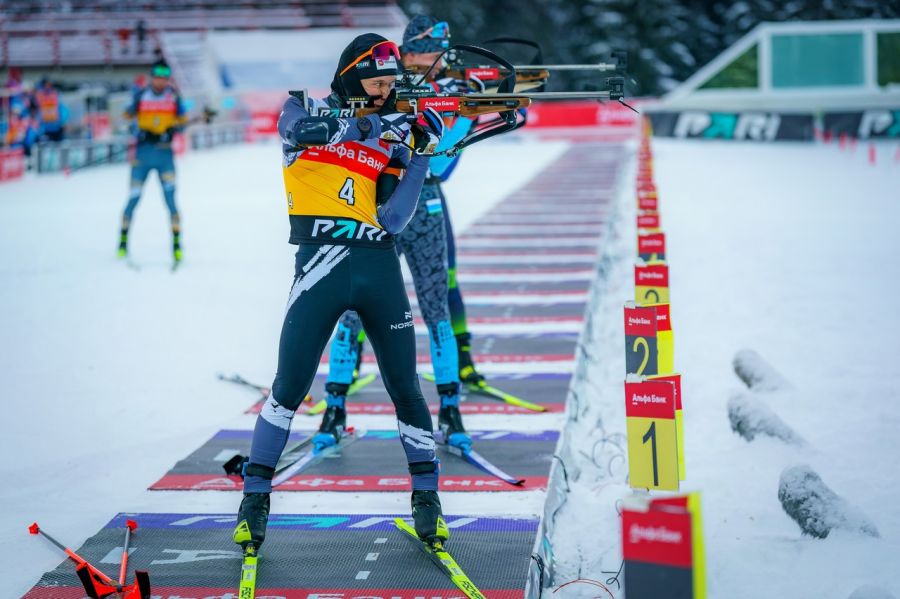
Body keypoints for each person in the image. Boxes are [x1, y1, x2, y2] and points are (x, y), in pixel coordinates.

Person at [233, 33, 449, 555]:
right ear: (353, 75)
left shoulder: (389, 133)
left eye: (391, 83)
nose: (385, 90)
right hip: (319, 267)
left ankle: (427, 498)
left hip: (378, 268)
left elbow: (392, 218)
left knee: (406, 387)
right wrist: (370, 125)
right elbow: (301, 132)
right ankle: (254, 500)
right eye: (377, 81)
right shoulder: (303, 107)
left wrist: (419, 155)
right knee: (288, 387)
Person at [316, 16, 487, 454]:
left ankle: (450, 409)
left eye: (439, 54)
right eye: (428, 53)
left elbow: (440, 165)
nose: (437, 61)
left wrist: (468, 119)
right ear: (407, 52)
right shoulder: (374, 88)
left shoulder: (445, 90)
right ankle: (334, 408)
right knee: (352, 308)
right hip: (373, 204)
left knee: (435, 307)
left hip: (423, 204)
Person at [118, 60, 186, 263]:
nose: (160, 81)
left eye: (164, 78)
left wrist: (173, 130)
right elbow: (124, 118)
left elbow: (183, 122)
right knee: (133, 198)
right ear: (152, 77)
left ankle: (177, 245)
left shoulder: (174, 97)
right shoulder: (140, 95)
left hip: (165, 157)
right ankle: (122, 242)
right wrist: (138, 131)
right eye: (157, 77)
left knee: (171, 201)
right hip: (142, 156)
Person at [34, 78, 67, 142]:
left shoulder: (55, 94)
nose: (48, 86)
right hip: (45, 127)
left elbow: (61, 108)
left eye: (49, 84)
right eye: (47, 84)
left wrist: (62, 121)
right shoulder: (39, 95)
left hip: (56, 125)